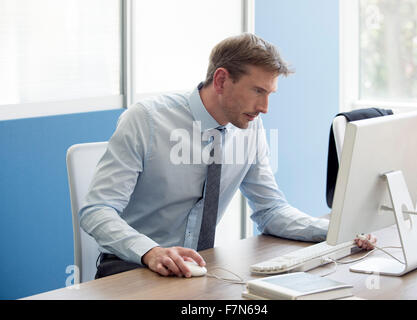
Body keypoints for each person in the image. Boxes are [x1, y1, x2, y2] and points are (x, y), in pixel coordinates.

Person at [79, 33, 376, 279]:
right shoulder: (147, 119)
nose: (264, 107)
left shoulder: (250, 127)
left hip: (198, 271)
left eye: (270, 94)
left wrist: (337, 230)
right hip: (133, 268)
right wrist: (151, 251)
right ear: (221, 80)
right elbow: (97, 210)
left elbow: (270, 210)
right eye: (258, 91)